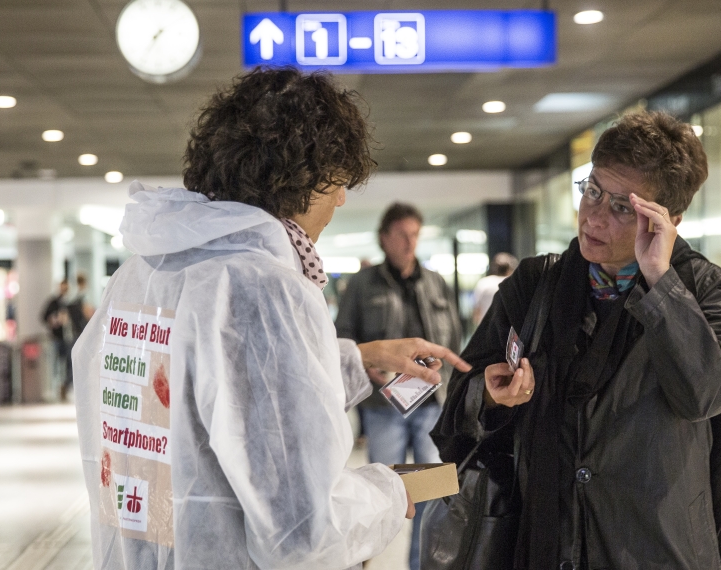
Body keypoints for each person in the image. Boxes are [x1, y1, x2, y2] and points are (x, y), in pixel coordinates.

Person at [72, 67, 469, 570]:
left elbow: (208, 396)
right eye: (338, 181)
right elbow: (302, 535)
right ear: (301, 178)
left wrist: (353, 359)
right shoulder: (263, 288)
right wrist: (386, 490)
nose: (342, 198)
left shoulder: (142, 272)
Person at [432, 111, 721, 570]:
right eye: (593, 191)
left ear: (670, 219)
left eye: (624, 207)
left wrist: (660, 282)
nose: (595, 216)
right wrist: (490, 393)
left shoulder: (701, 289)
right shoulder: (534, 285)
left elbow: (705, 396)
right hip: (546, 540)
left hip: (655, 547)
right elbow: (458, 407)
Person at [335, 202, 461, 570]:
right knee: (382, 493)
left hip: (432, 404)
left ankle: (423, 564)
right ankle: (366, 562)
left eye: (415, 234)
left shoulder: (435, 281)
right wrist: (368, 364)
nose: (410, 242)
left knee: (433, 492)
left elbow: (452, 335)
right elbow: (344, 337)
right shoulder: (361, 284)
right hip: (383, 406)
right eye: (402, 234)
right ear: (384, 238)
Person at [63, 273, 93, 400]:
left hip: (74, 333)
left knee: (73, 361)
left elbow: (64, 318)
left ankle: (67, 385)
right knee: (82, 362)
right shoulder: (83, 297)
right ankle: (74, 385)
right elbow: (88, 314)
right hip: (82, 333)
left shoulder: (71, 298)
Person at [471, 252, 518, 326]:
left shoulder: (484, 283)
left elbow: (477, 311)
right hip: (508, 331)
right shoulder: (513, 283)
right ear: (509, 269)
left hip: (486, 329)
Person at [41, 279, 70, 396]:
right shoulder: (53, 302)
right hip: (57, 337)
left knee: (68, 363)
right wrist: (55, 320)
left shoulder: (69, 302)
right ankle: (55, 387)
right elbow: (44, 317)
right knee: (56, 363)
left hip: (68, 337)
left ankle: (65, 386)